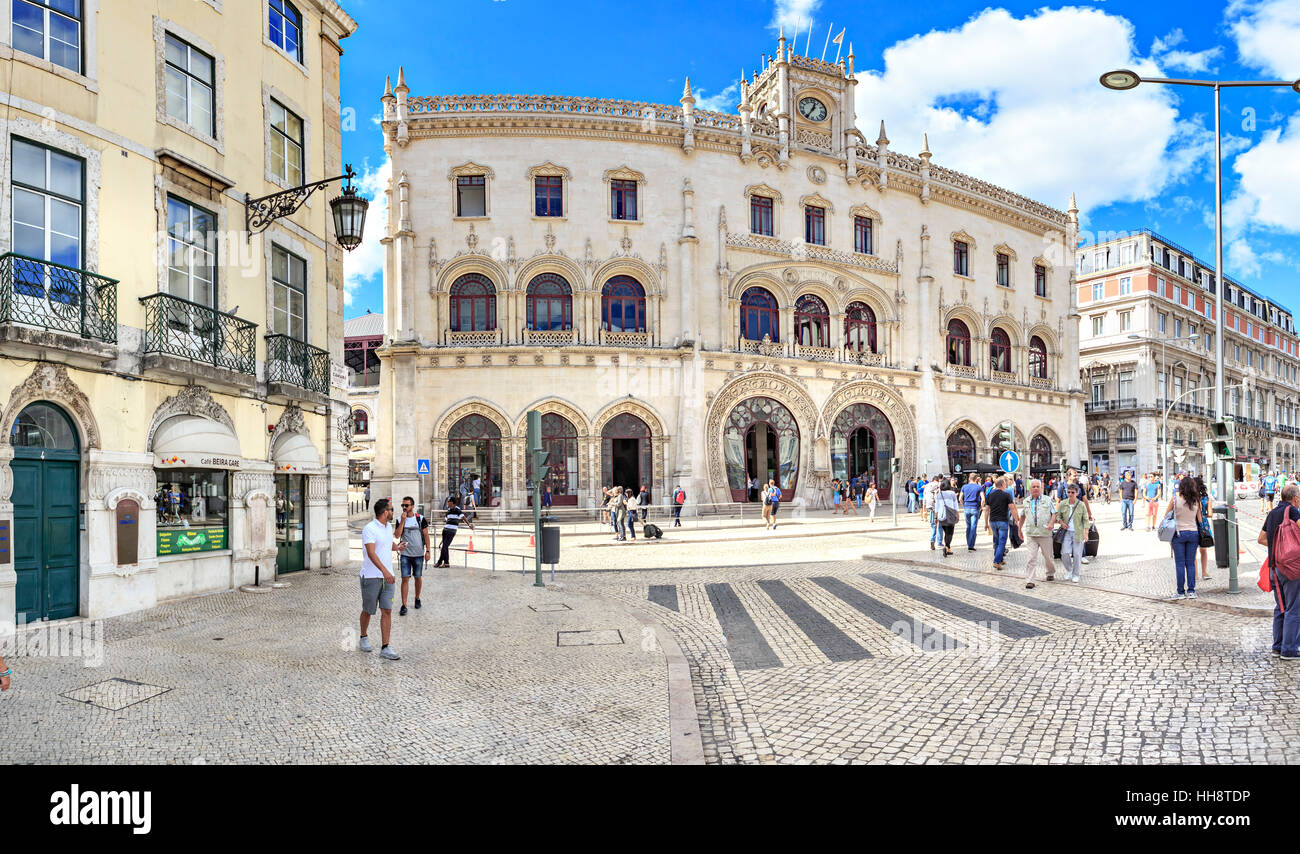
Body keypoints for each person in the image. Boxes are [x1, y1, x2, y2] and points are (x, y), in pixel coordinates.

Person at [1259, 483, 1300, 660]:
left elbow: (1261, 539)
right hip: (1291, 568)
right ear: (1295, 498)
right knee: (1294, 608)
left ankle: (1278, 646)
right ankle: (1289, 649)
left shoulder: (1272, 513)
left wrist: (1278, 547)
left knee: (1281, 607)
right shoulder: (1293, 512)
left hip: (1274, 568)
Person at [359, 498, 402, 660]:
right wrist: (384, 571)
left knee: (387, 610)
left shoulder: (387, 527)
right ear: (385, 512)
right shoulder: (369, 529)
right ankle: (363, 636)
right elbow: (371, 553)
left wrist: (397, 547)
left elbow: (386, 543)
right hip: (371, 577)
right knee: (368, 610)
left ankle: (385, 646)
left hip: (387, 576)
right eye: (391, 509)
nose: (393, 512)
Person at [1163, 476, 1205, 600]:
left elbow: (1166, 515)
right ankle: (1191, 591)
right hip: (1193, 533)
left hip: (1178, 533)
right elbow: (1200, 519)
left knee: (1180, 564)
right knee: (1190, 563)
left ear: (1181, 487)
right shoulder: (1196, 500)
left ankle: (1180, 592)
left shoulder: (1175, 499)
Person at [396, 496, 430, 617]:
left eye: (407, 505)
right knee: (405, 578)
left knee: (417, 577)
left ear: (412, 506)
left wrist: (428, 551)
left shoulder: (420, 519)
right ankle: (404, 605)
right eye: (403, 505)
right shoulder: (399, 519)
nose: (404, 508)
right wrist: (403, 521)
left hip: (418, 554)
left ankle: (417, 598)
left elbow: (426, 536)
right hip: (405, 554)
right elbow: (397, 535)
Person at [1020, 478, 1056, 587]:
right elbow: (1022, 515)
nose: (1035, 488)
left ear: (1041, 488)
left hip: (1045, 533)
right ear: (1030, 489)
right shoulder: (1026, 501)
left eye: (1037, 487)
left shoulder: (1048, 500)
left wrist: (1051, 523)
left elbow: (1054, 513)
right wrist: (1019, 529)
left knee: (1048, 557)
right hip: (1031, 533)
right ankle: (1030, 580)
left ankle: (1050, 572)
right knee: (1031, 558)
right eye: (1033, 487)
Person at [1054, 483, 1092, 583]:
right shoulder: (1063, 503)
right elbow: (1058, 516)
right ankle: (1069, 570)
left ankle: (1075, 574)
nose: (1070, 494)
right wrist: (1062, 523)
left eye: (1072, 492)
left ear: (1077, 493)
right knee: (1064, 553)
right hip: (1066, 533)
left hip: (1078, 533)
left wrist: (1086, 533)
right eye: (1069, 492)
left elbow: (1085, 519)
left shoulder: (1081, 505)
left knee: (1077, 554)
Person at [982, 475, 1019, 571]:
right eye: (1005, 484)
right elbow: (1012, 508)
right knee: (1002, 542)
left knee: (996, 540)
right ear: (1002, 484)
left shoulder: (990, 495)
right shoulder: (1006, 495)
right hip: (1003, 521)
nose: (1006, 485)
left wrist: (986, 523)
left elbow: (986, 510)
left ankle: (1000, 559)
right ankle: (996, 561)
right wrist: (1016, 520)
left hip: (993, 521)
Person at [435, 496, 471, 567]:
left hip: (452, 531)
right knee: (445, 546)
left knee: (444, 547)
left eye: (448, 501)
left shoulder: (457, 509)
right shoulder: (448, 510)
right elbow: (446, 520)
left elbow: (463, 517)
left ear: (452, 502)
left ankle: (440, 561)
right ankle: (446, 563)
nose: (447, 502)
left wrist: (469, 525)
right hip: (445, 530)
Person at [1195, 475, 1213, 582]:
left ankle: (1195, 574)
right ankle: (1204, 572)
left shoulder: (1192, 498)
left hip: (1194, 523)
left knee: (1193, 551)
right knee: (1204, 549)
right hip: (1205, 525)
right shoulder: (1207, 499)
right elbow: (1210, 514)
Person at [960, 472, 984, 552]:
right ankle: (971, 545)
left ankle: (968, 543)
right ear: (976, 479)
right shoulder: (979, 487)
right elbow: (983, 499)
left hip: (967, 507)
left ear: (969, 478)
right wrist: (981, 506)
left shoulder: (964, 486)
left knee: (968, 526)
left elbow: (960, 498)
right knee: (973, 527)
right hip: (975, 508)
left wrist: (964, 505)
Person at [936, 478, 960, 557]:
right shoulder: (952, 493)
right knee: (950, 532)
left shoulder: (939, 494)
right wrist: (957, 514)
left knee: (946, 532)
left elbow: (937, 507)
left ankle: (948, 548)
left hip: (941, 516)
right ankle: (947, 547)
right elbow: (955, 505)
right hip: (950, 515)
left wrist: (936, 517)